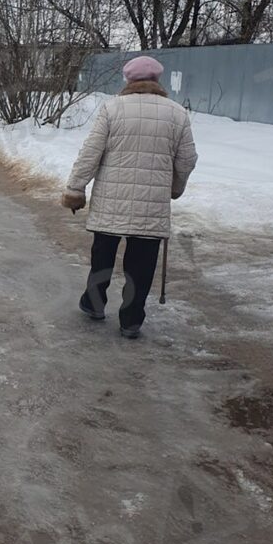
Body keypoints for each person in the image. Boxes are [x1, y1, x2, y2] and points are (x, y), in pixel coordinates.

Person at [61, 56, 198, 338]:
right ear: (157, 80)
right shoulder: (176, 113)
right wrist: (175, 188)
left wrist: (75, 189)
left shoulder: (112, 109)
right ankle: (131, 320)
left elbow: (91, 153)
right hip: (151, 206)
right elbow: (187, 159)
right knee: (141, 265)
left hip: (111, 202)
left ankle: (94, 304)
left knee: (103, 257)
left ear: (129, 81)